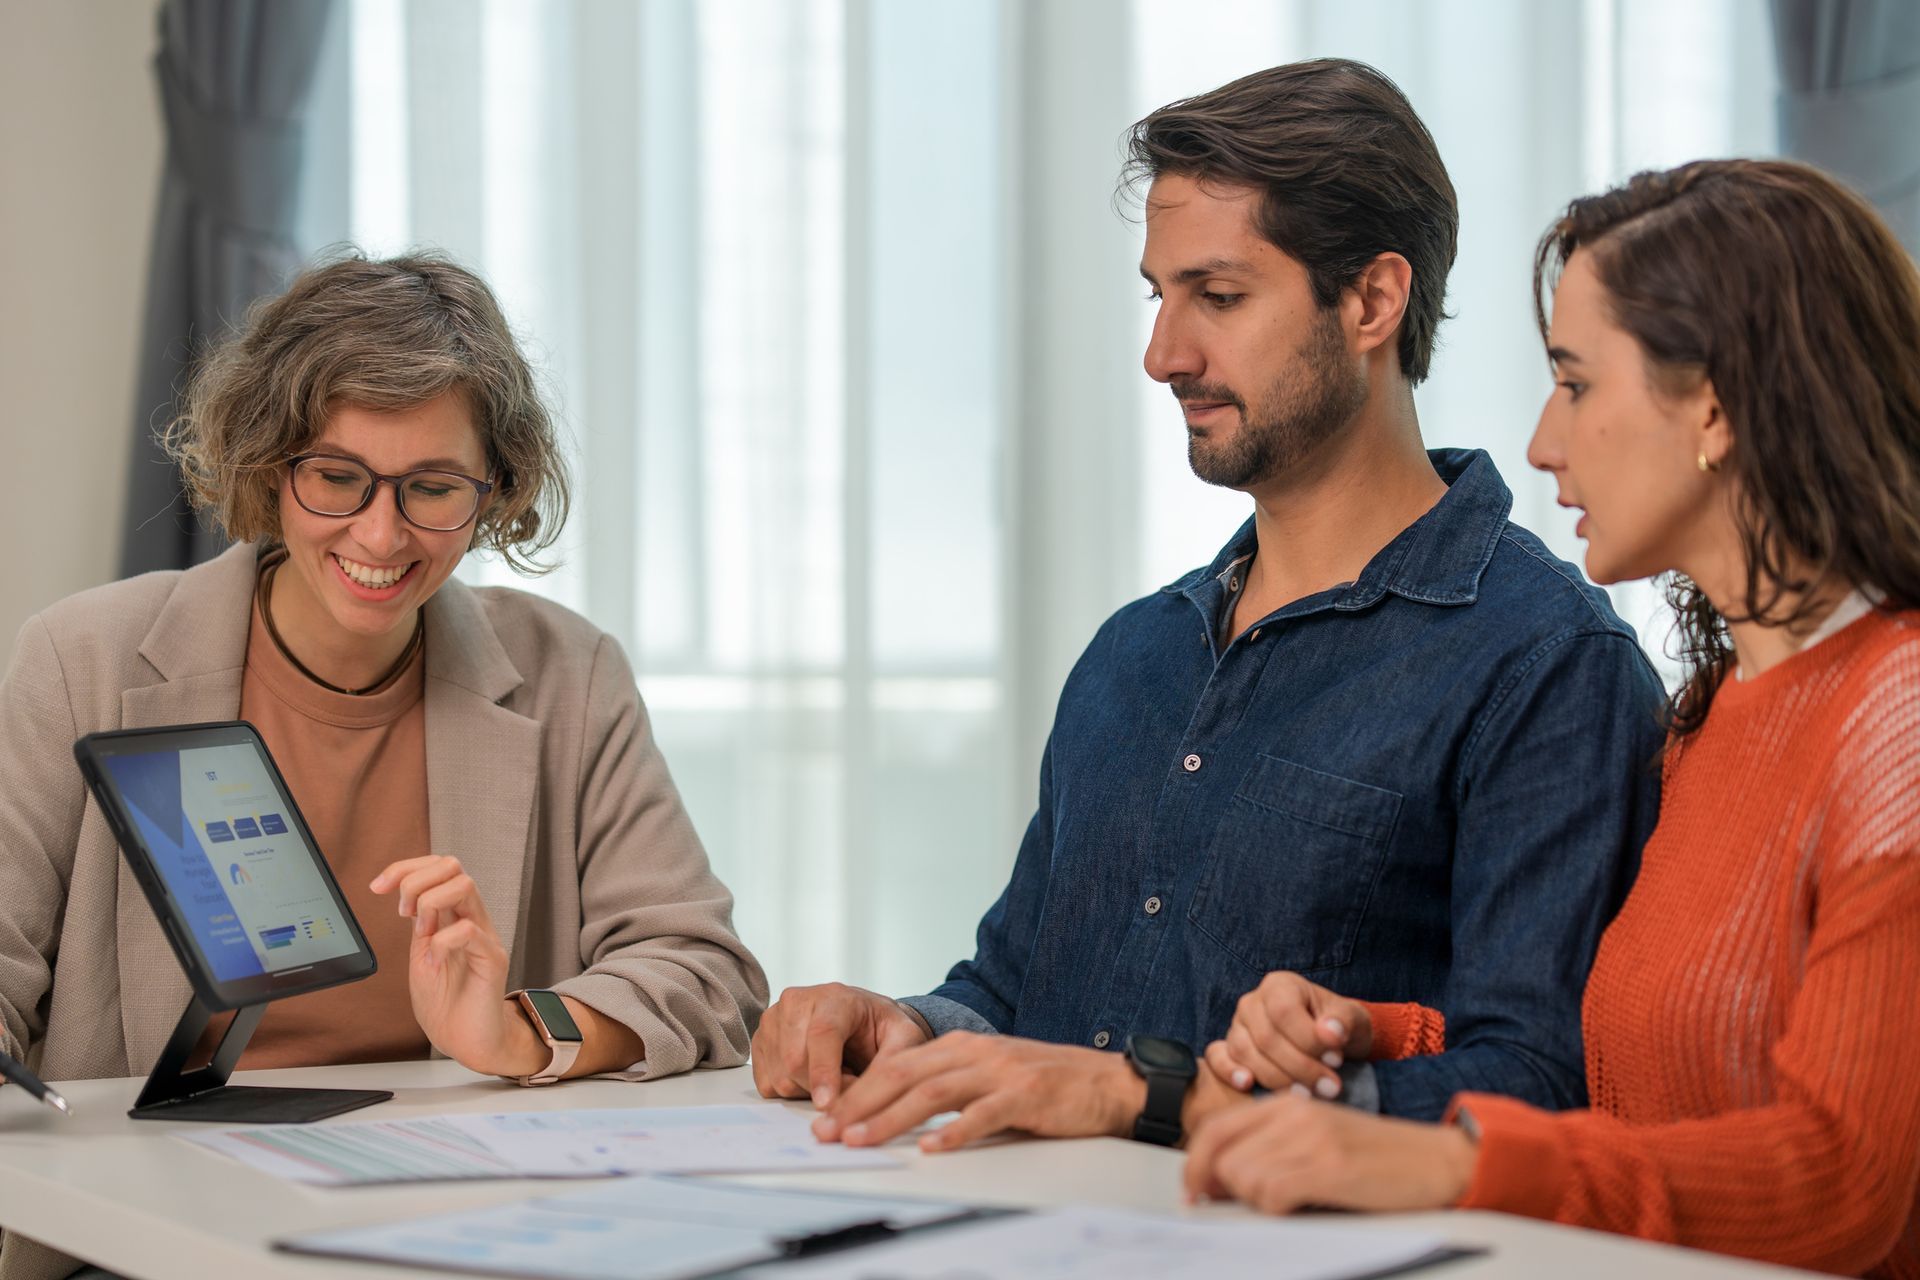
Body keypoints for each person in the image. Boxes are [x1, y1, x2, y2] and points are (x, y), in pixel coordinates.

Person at [752, 60, 1665, 1154]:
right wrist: (901, 1027)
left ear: (1373, 300)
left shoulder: (1548, 665)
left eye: (1219, 297)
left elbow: (1535, 1085)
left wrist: (1145, 1091)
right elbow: (1015, 990)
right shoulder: (1134, 654)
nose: (1163, 354)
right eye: (1160, 294)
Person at [1183, 158, 1920, 1277]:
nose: (1540, 442)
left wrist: (1459, 1163)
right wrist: (1374, 1034)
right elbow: (1651, 1082)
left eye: (1575, 384)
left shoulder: (1897, 721)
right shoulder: (1711, 717)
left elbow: (1845, 1182)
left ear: (1715, 404)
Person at [0, 254, 767, 1280]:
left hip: (463, 1220)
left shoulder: (566, 672)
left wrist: (517, 1029)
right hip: (148, 1230)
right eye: (337, 475)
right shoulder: (82, 658)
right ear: (271, 466)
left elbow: (705, 971)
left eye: (433, 487)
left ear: (494, 491)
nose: (380, 531)